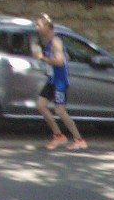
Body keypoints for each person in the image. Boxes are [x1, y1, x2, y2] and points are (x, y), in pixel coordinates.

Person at [31, 13, 84, 151]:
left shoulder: (56, 41)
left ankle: (79, 139)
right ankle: (58, 135)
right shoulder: (51, 42)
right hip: (52, 80)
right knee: (41, 105)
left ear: (47, 26)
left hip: (60, 81)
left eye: (39, 25)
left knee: (60, 111)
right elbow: (66, 57)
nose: (36, 28)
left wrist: (42, 58)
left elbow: (60, 61)